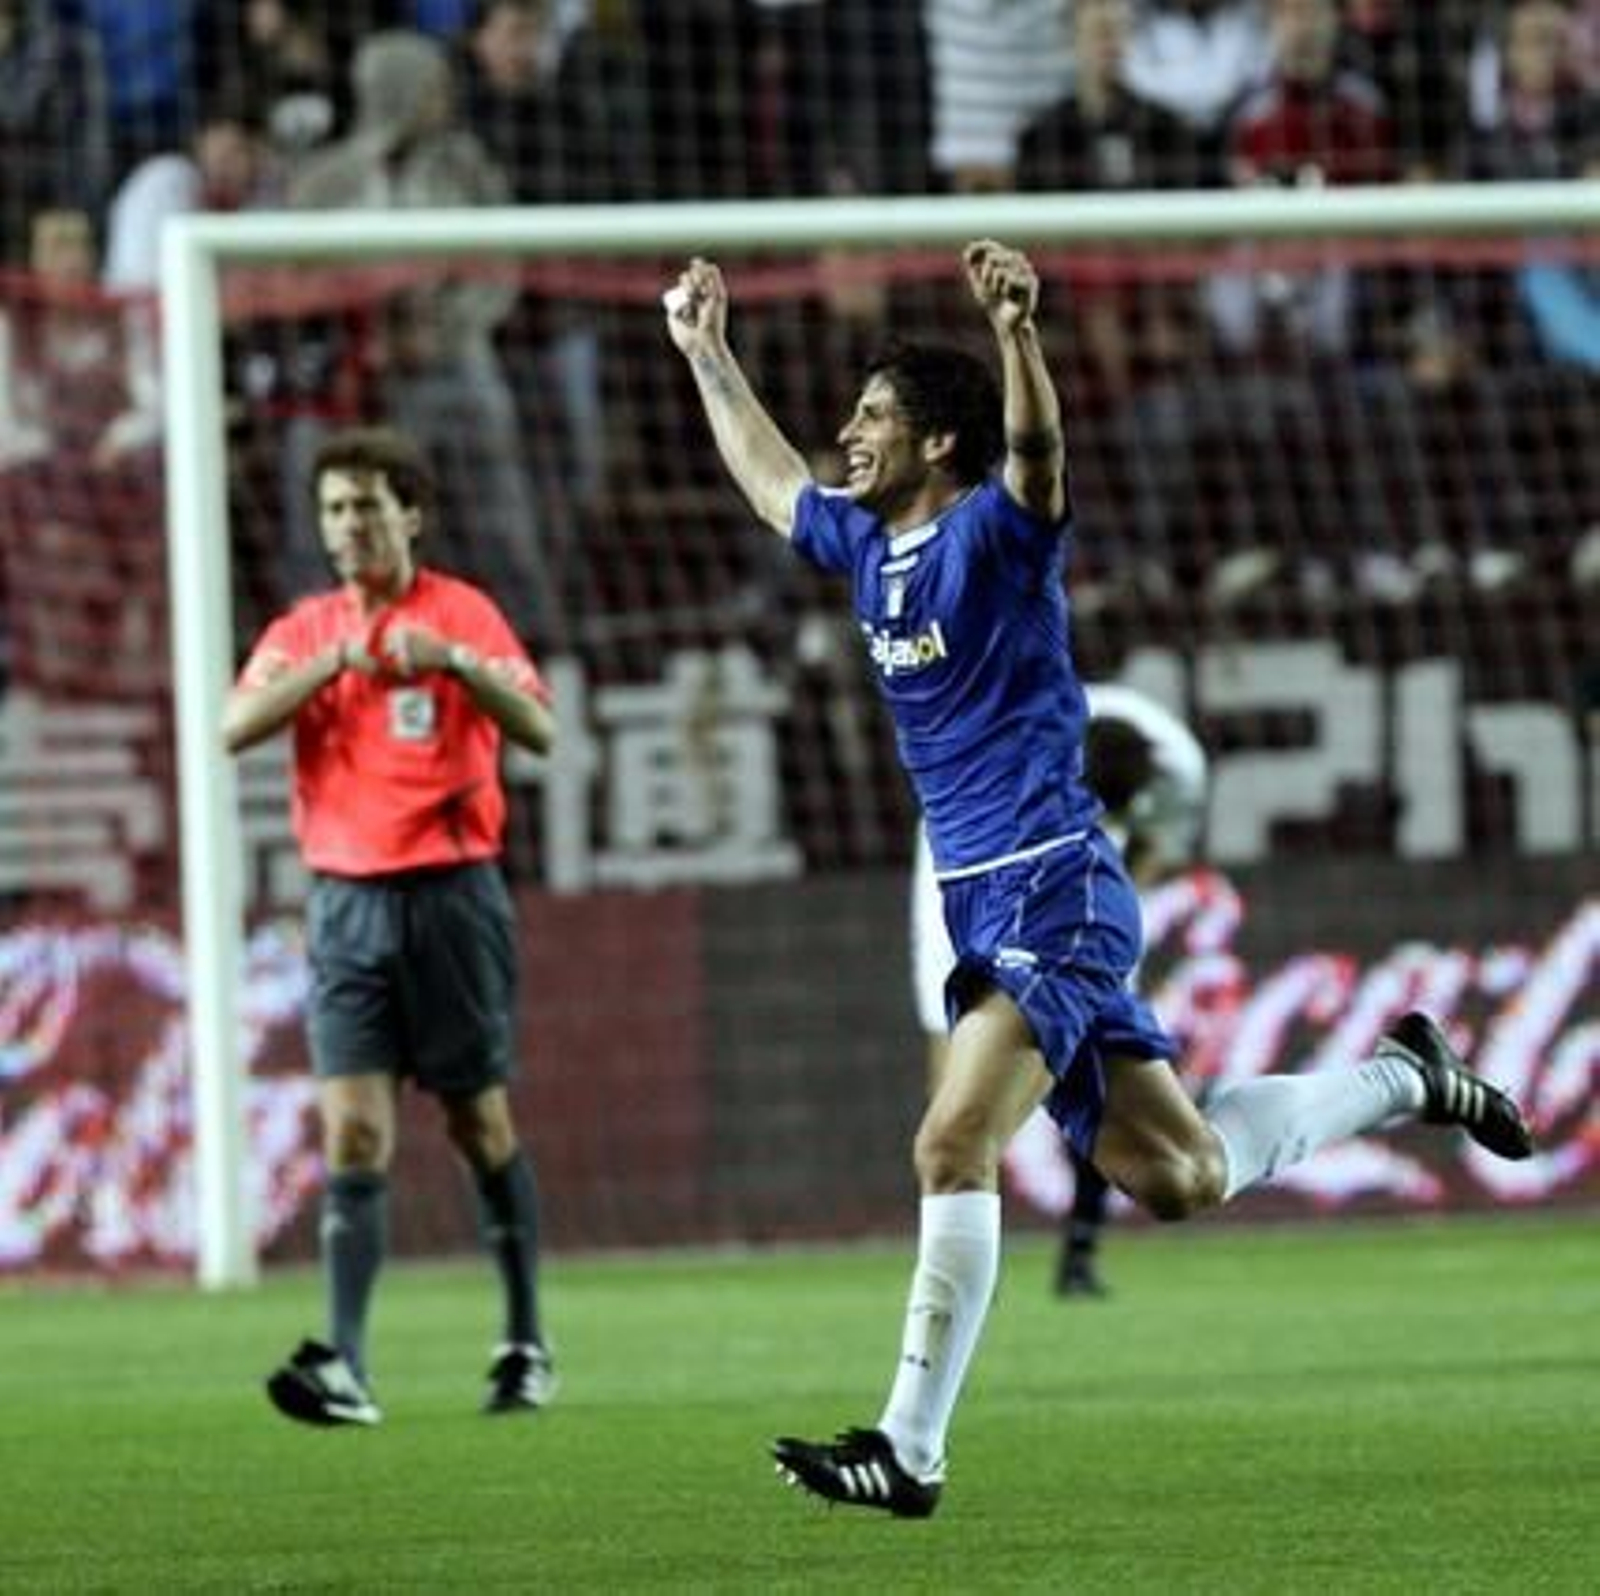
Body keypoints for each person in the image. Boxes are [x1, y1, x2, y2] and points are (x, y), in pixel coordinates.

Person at [663, 239, 1535, 1519]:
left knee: (950, 1140)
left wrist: (1019, 337)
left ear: (940, 446)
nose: (847, 434)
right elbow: (770, 481)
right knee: (1181, 1177)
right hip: (982, 899)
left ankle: (910, 1449)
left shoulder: (996, 543)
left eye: (874, 417)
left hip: (1052, 886)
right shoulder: (865, 548)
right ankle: (1409, 1074)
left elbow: (1041, 463)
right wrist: (706, 354)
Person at [224, 425, 559, 1427]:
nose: (349, 526)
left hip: (454, 897)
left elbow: (537, 729)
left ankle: (524, 1343)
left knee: (477, 1124)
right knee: (355, 1131)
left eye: (367, 505)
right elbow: (234, 727)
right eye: (333, 509)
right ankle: (348, 1366)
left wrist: (454, 663)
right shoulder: (307, 629)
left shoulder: (462, 612)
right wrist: (331, 666)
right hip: (344, 904)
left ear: (410, 514)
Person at [911, 682, 1208, 1298]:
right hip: (970, 869)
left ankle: (1078, 1244)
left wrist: (1104, 905)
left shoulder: (1174, 763)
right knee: (955, 1094)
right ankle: (954, 1244)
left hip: (1081, 898)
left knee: (1108, 1074)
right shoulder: (996, 748)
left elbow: (1157, 854)